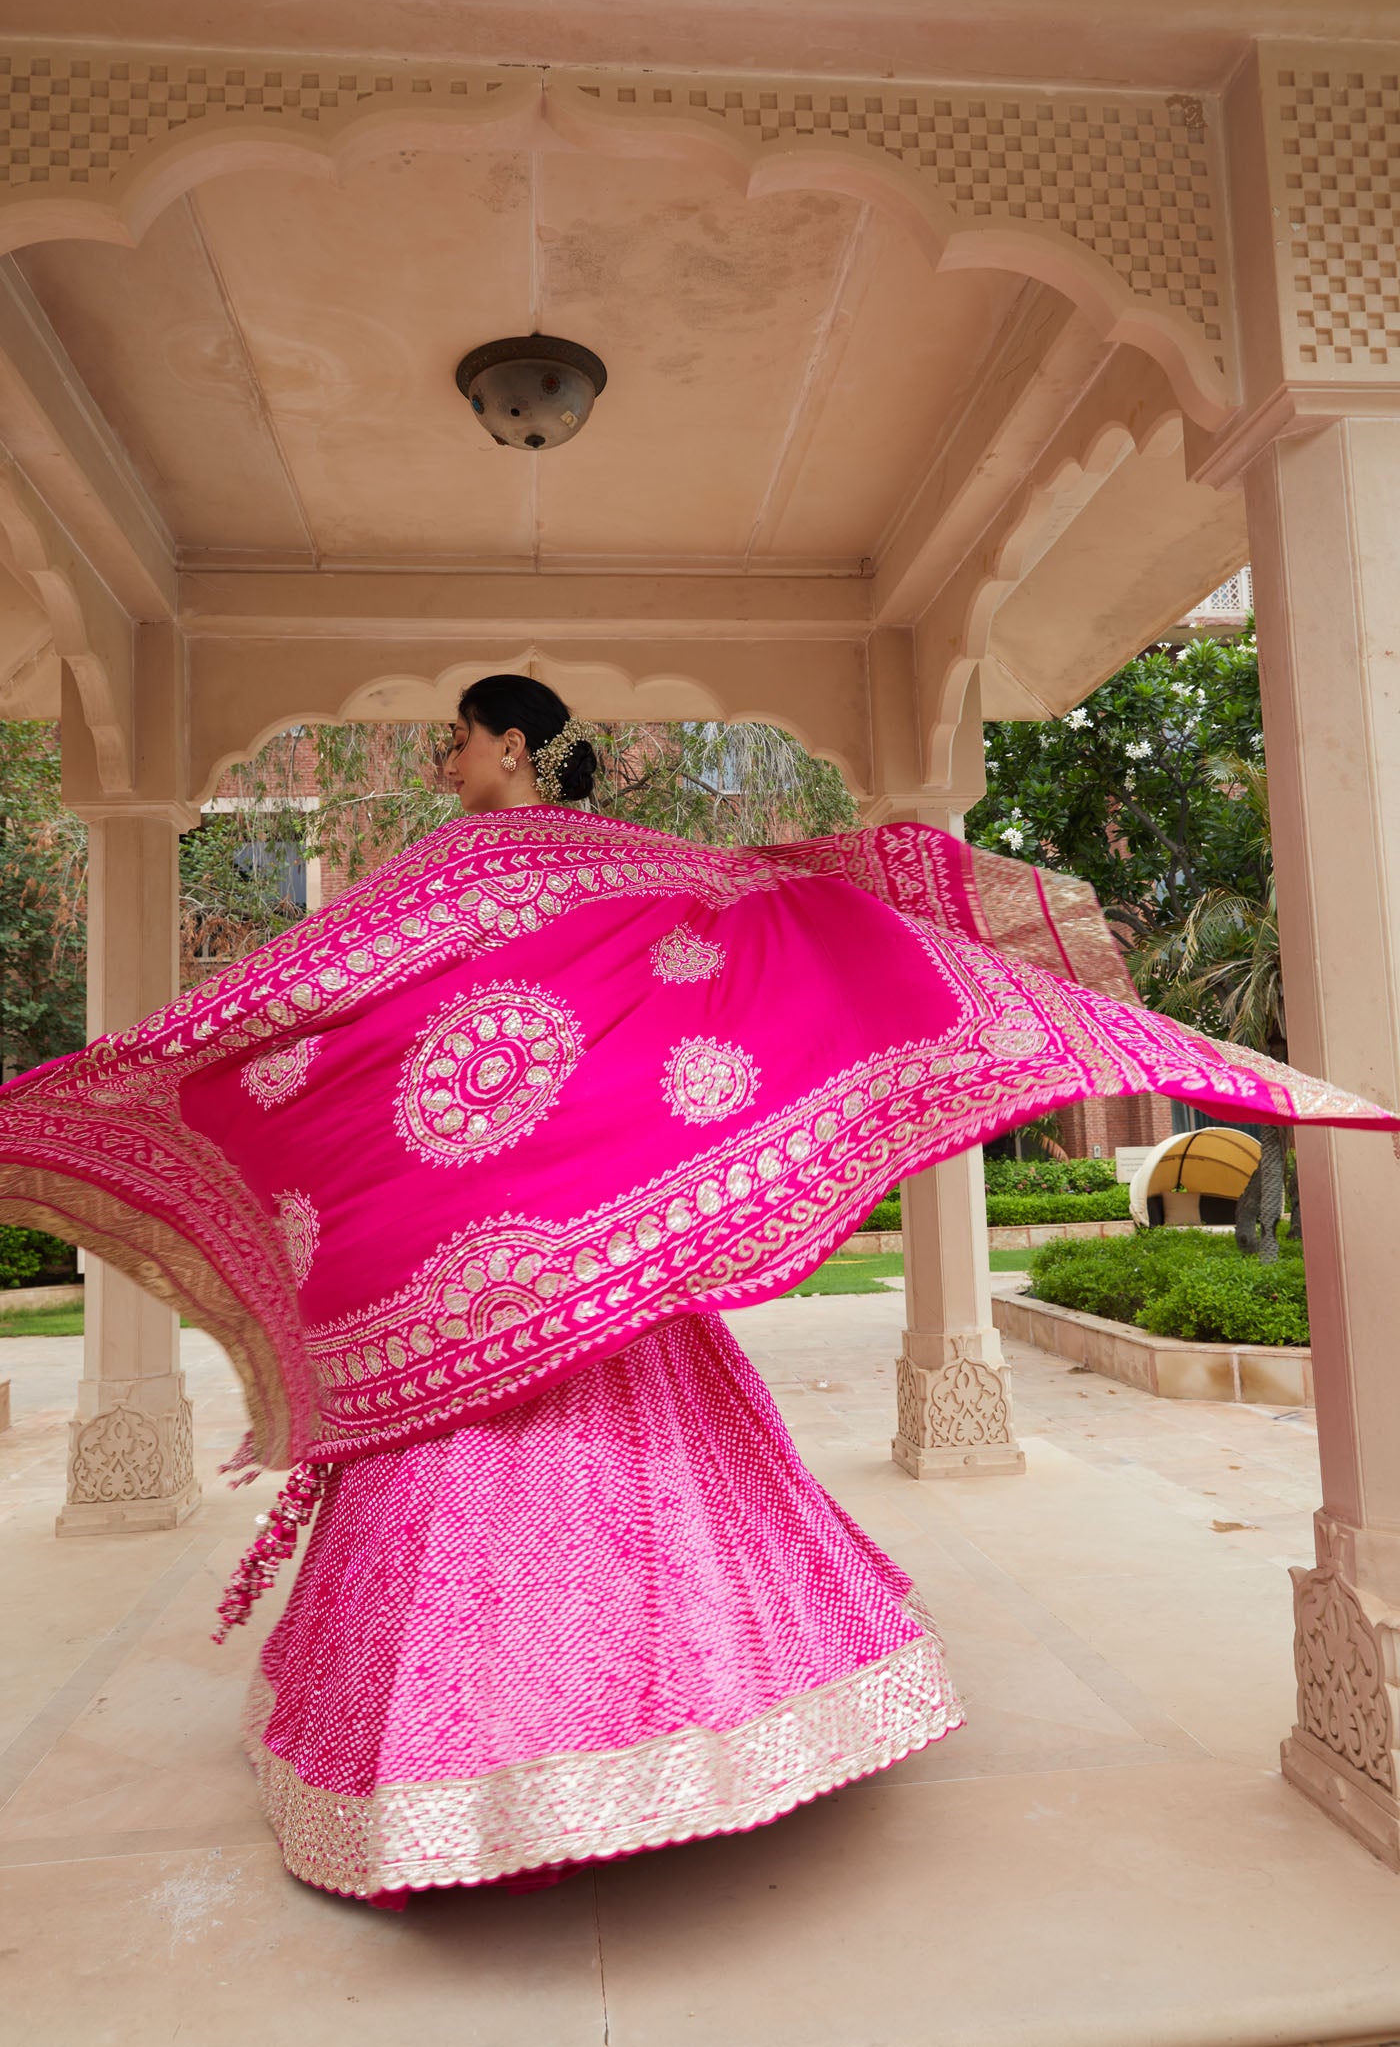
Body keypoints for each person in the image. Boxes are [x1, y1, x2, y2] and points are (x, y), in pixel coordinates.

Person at [0, 675, 1392, 1906]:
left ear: (509, 746)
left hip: (523, 1241)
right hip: (561, 1234)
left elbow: (341, 986)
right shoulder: (610, 866)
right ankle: (638, 1759)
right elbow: (671, 948)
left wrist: (186, 1047)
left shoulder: (481, 870)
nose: (439, 767)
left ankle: (517, 1776)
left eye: (454, 744)